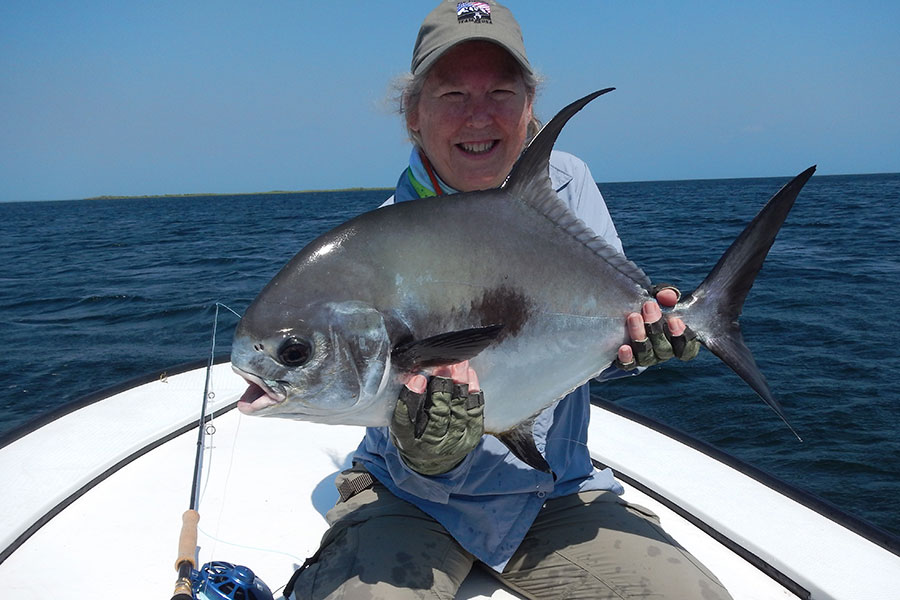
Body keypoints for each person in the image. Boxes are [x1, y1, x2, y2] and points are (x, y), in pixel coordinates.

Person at [286, 2, 730, 599]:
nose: (479, 116)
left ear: (529, 110)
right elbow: (373, 387)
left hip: (554, 490)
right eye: (451, 95)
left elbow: (581, 345)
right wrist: (423, 454)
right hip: (409, 497)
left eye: (500, 91)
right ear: (412, 114)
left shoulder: (567, 186)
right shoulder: (381, 247)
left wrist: (636, 346)